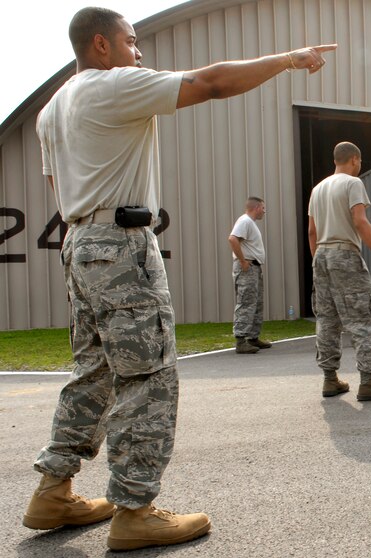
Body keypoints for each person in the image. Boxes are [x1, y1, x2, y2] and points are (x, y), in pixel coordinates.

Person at [26, 6, 335, 551]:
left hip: (79, 242)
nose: (137, 51)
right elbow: (211, 82)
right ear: (101, 45)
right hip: (122, 245)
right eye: (130, 40)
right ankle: (135, 511)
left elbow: (56, 183)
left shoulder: (51, 111)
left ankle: (54, 490)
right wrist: (289, 59)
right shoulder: (113, 86)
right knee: (148, 377)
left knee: (93, 370)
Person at [307, 142, 371, 401]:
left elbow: (312, 232)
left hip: (321, 257)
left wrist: (319, 262)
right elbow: (360, 220)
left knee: (327, 319)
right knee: (362, 316)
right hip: (345, 254)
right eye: (360, 162)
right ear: (354, 160)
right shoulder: (352, 183)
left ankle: (329, 380)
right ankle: (369, 382)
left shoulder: (317, 190)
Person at [229, 197, 270, 354]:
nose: (264, 211)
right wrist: (243, 261)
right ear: (257, 207)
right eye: (263, 208)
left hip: (254, 267)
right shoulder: (245, 221)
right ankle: (241, 340)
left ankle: (253, 338)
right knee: (246, 302)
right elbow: (232, 239)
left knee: (256, 303)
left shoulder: (250, 223)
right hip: (247, 267)